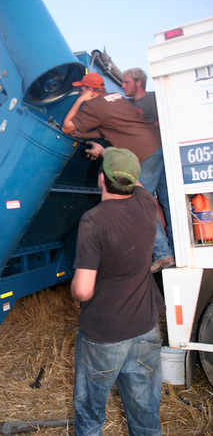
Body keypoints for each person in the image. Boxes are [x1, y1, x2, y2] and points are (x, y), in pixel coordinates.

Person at [71, 147, 163, 436]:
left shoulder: (93, 220)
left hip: (104, 335)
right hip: (146, 328)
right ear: (134, 180)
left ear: (101, 179)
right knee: (145, 412)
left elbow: (84, 290)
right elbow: (137, 183)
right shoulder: (147, 203)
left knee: (90, 415)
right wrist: (112, 153)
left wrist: (74, 291)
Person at [62, 72, 175, 273]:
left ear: (90, 90)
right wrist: (85, 134)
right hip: (159, 144)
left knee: (140, 205)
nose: (79, 92)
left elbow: (66, 127)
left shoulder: (92, 106)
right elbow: (110, 127)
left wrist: (80, 100)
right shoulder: (117, 98)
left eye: (81, 89)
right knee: (169, 202)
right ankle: (177, 249)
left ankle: (164, 254)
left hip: (144, 153)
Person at [122, 68, 174, 269]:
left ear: (138, 83)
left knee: (138, 201)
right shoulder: (129, 105)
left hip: (154, 153)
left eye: (126, 82)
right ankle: (173, 251)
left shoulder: (153, 99)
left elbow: (166, 121)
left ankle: (163, 253)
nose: (123, 85)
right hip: (157, 156)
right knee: (169, 203)